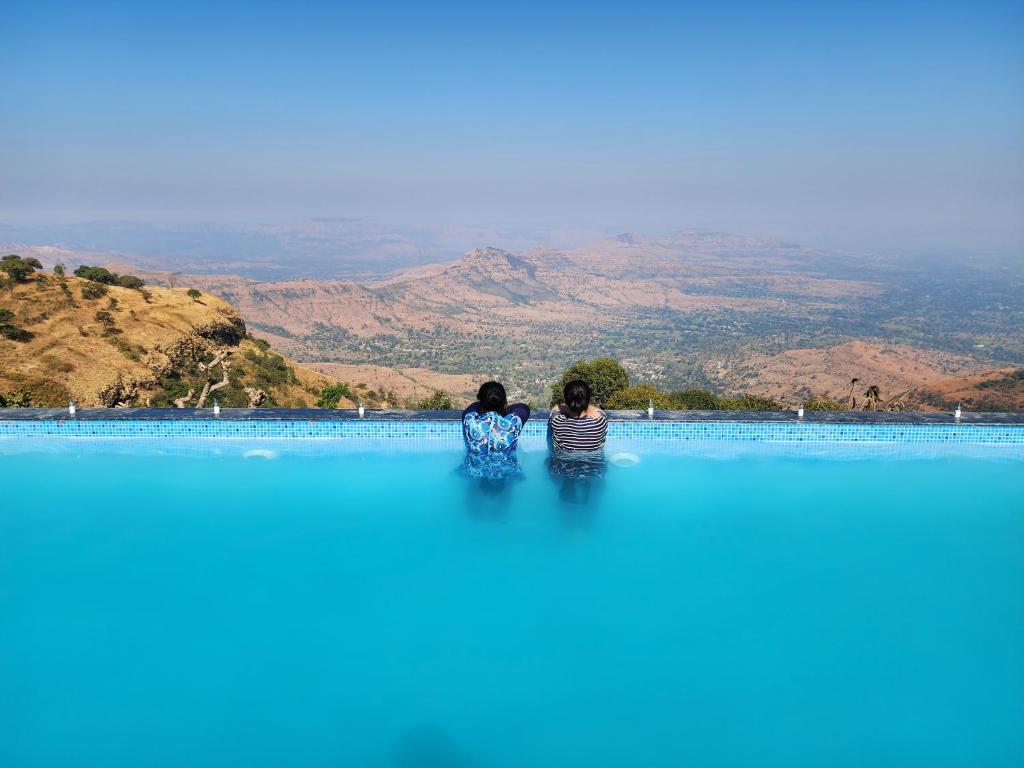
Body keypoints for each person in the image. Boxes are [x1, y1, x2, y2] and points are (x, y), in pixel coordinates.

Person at [461, 381, 530, 480]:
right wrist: (502, 407)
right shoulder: (513, 423)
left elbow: (472, 407)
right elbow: (524, 407)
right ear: (504, 402)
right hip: (506, 472)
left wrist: (485, 403)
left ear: (481, 402)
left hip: (474, 472)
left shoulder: (469, 421)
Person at [548, 379, 608, 452]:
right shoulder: (601, 422)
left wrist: (565, 405)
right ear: (587, 400)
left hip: (563, 463)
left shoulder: (557, 421)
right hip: (593, 462)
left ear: (565, 402)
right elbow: (599, 412)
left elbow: (556, 408)